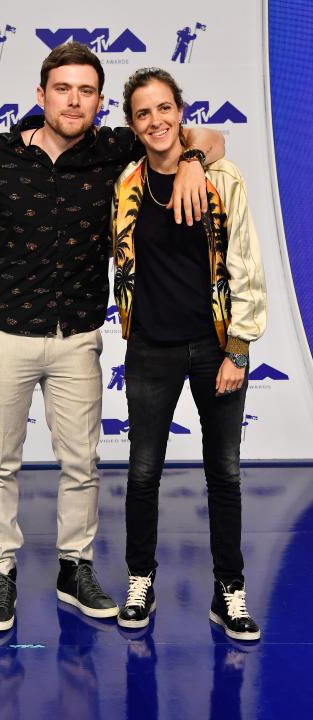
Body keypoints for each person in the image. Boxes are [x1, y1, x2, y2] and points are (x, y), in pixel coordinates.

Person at [0, 43, 225, 632]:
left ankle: (75, 568)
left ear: (100, 101)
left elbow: (209, 138)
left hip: (78, 336)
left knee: (82, 463)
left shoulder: (116, 148)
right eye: (62, 89)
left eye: (86, 91)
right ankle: (1, 572)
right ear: (41, 95)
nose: (73, 101)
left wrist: (192, 160)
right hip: (6, 332)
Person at [111, 68, 266, 639]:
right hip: (150, 349)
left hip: (214, 347)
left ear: (181, 111)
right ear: (132, 124)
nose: (156, 120)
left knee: (224, 473)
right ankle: (140, 580)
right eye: (143, 112)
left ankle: (229, 590)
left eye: (164, 108)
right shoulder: (126, 181)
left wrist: (239, 348)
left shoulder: (221, 176)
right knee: (142, 473)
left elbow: (245, 262)